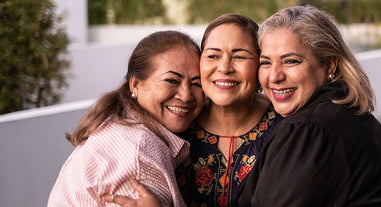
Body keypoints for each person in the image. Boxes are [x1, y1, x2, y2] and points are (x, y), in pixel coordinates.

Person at [103, 14, 284, 207]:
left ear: (260, 64)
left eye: (239, 56)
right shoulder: (174, 125)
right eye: (213, 55)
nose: (224, 67)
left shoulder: (287, 129)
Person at [238, 5, 381, 206]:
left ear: (329, 64)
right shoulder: (354, 116)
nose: (274, 76)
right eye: (265, 62)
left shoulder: (308, 131)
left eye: (290, 61)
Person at [48, 30, 204, 207]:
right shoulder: (140, 157)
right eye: (171, 81)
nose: (186, 96)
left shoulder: (123, 129)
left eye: (197, 84)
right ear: (135, 84)